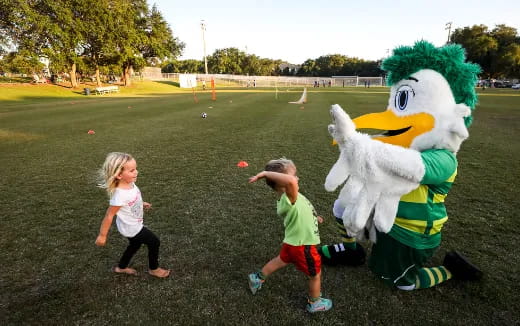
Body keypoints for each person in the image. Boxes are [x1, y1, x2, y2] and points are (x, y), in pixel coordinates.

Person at [247, 158, 332, 313]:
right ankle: (315, 303)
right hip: (302, 245)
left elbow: (303, 209)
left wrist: (315, 217)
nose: (296, 178)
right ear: (283, 184)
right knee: (315, 274)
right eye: (293, 176)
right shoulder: (289, 197)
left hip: (292, 243)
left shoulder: (292, 196)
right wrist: (266, 173)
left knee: (280, 260)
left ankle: (257, 278)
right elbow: (291, 182)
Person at [95, 152, 170, 278]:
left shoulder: (129, 183)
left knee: (135, 244)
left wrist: (141, 204)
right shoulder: (119, 195)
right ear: (119, 175)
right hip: (132, 228)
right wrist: (102, 236)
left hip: (131, 225)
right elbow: (109, 215)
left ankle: (121, 267)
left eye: (136, 169)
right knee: (154, 242)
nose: (136, 172)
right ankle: (154, 269)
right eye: (132, 170)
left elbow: (132, 199)